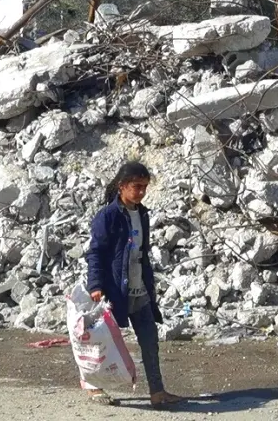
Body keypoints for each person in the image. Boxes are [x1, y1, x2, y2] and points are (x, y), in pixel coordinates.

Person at [84, 161, 184, 408]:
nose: (141, 192)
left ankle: (157, 392)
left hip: (139, 288)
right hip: (113, 290)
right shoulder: (107, 216)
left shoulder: (142, 214)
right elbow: (95, 252)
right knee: (101, 340)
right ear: (122, 186)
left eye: (145, 187)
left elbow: (141, 252)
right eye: (136, 186)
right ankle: (93, 386)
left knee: (150, 340)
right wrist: (95, 285)